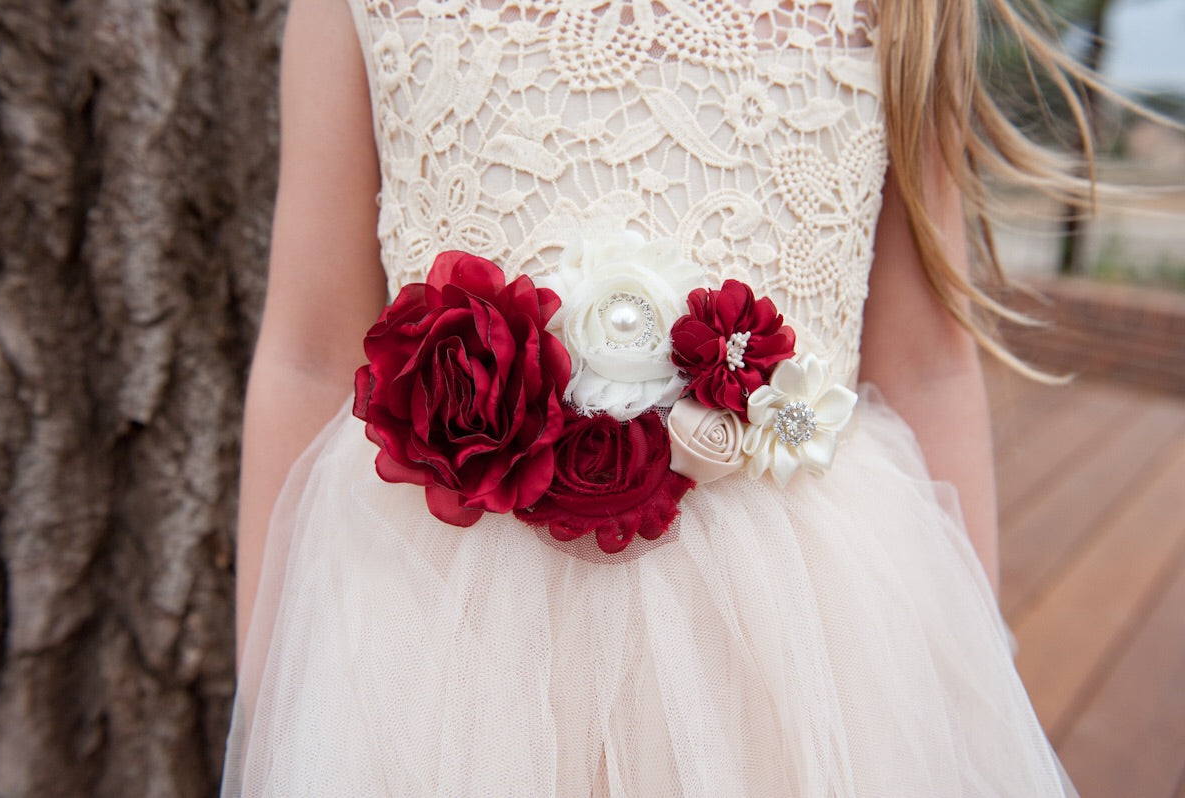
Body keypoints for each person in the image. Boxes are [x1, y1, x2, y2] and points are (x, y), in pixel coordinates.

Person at [223, 0, 1095, 794]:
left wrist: (963, 685)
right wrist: (275, 697)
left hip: (794, 653)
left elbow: (928, 372)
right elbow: (309, 355)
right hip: (443, 648)